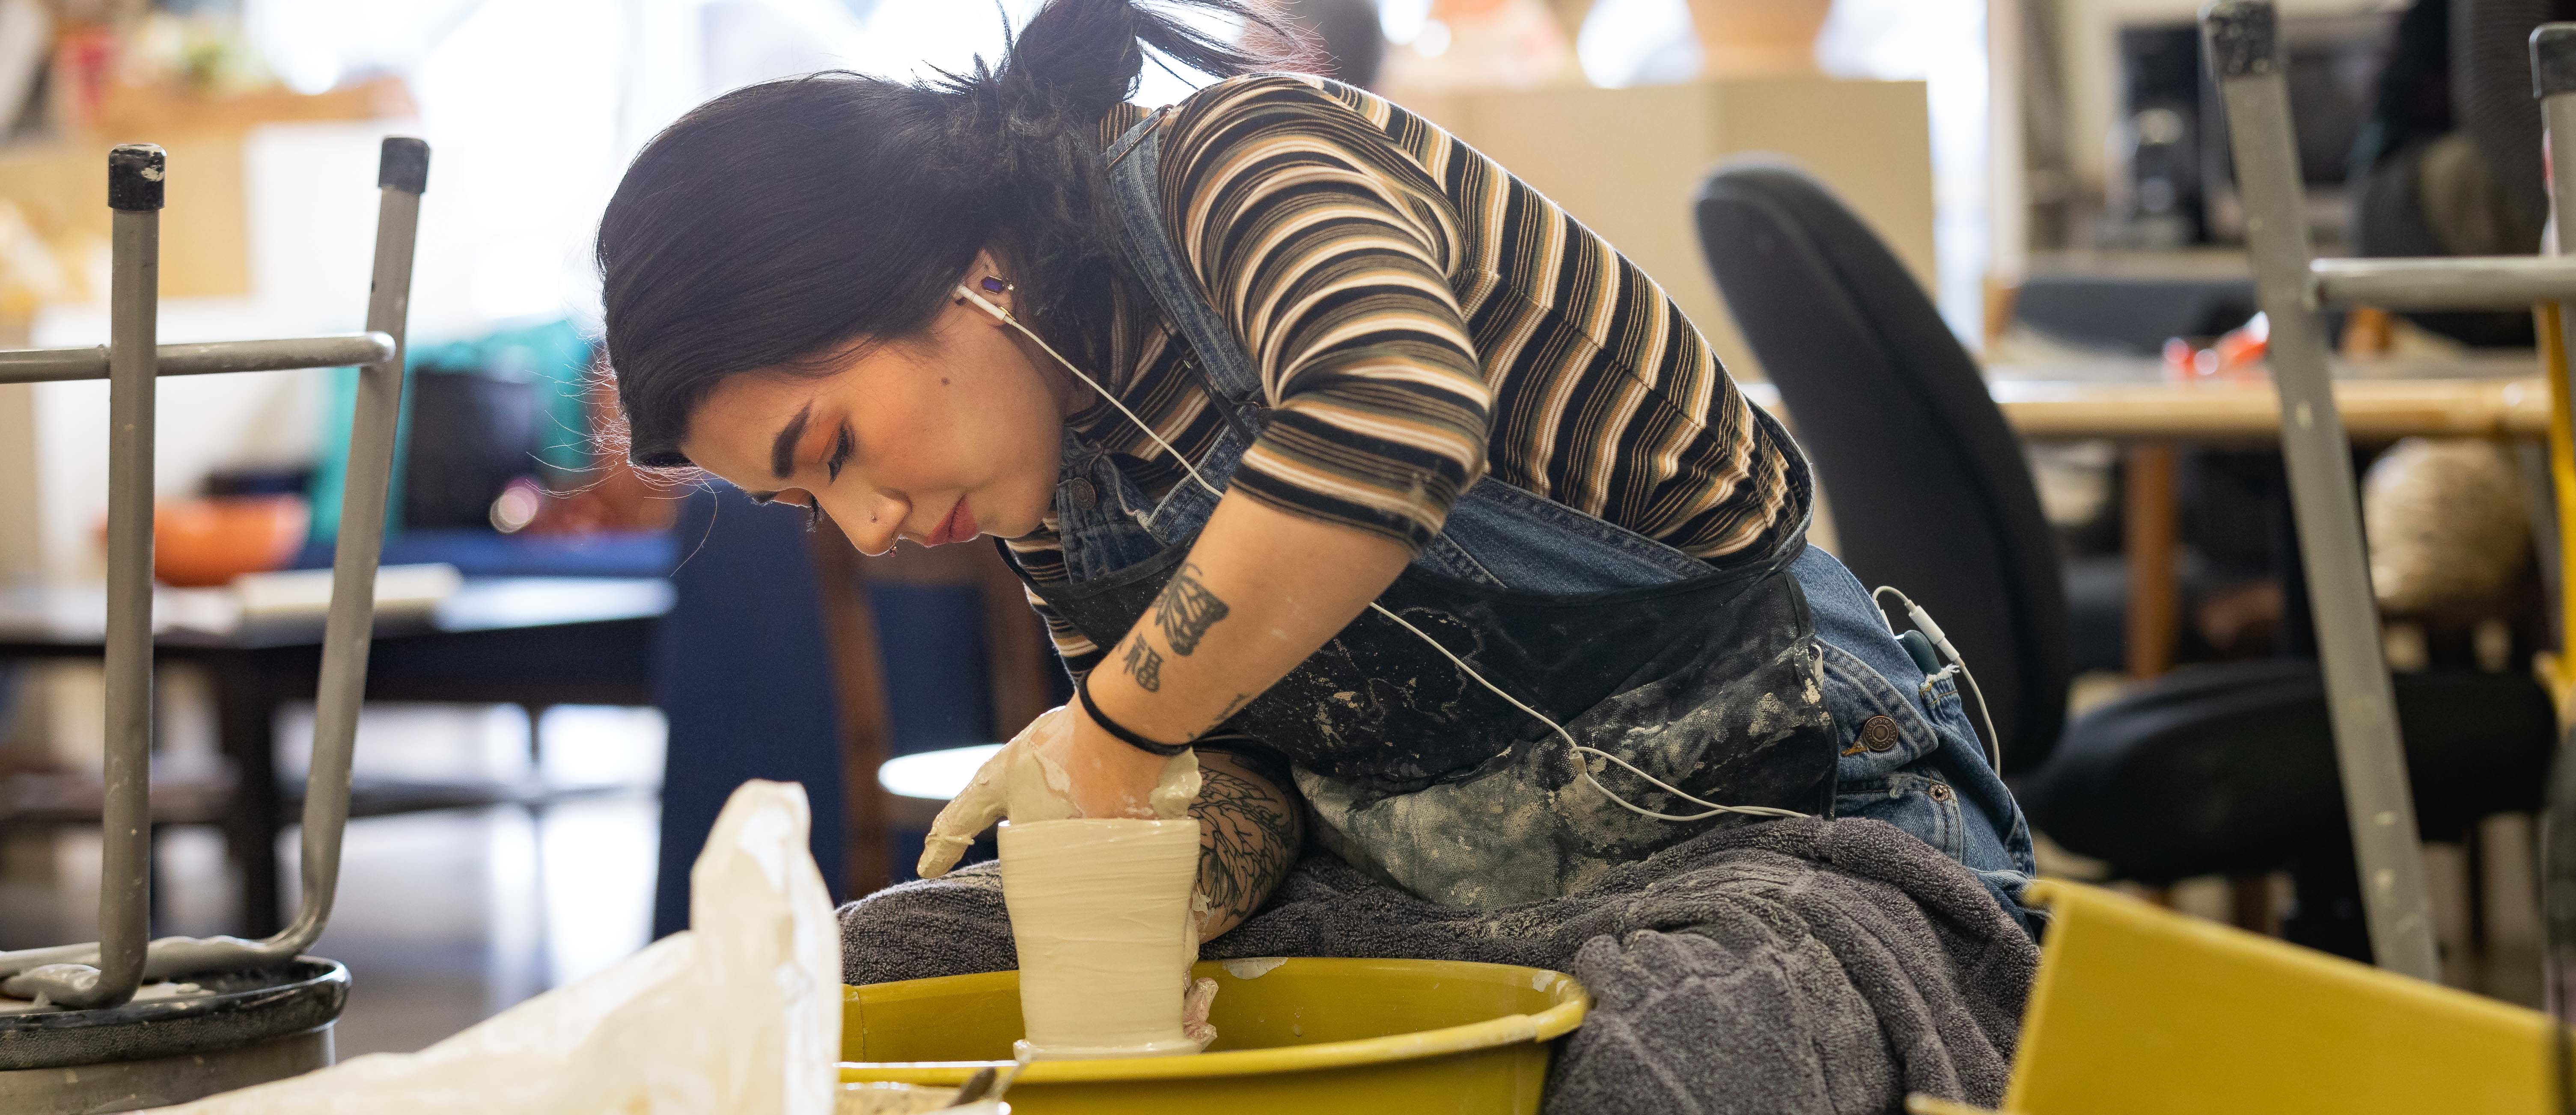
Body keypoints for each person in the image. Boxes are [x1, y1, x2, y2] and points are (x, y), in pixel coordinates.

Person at [594, 0, 2032, 940]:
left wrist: (1107, 736)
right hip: (1466, 886)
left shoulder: (1244, 159)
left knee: (1666, 1068)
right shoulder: (1053, 469)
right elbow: (1241, 775)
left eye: (834, 449)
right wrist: (1110, 896)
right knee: (897, 964)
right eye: (811, 509)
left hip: (1791, 801)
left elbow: (1386, 421)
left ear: (959, 275)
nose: (875, 526)